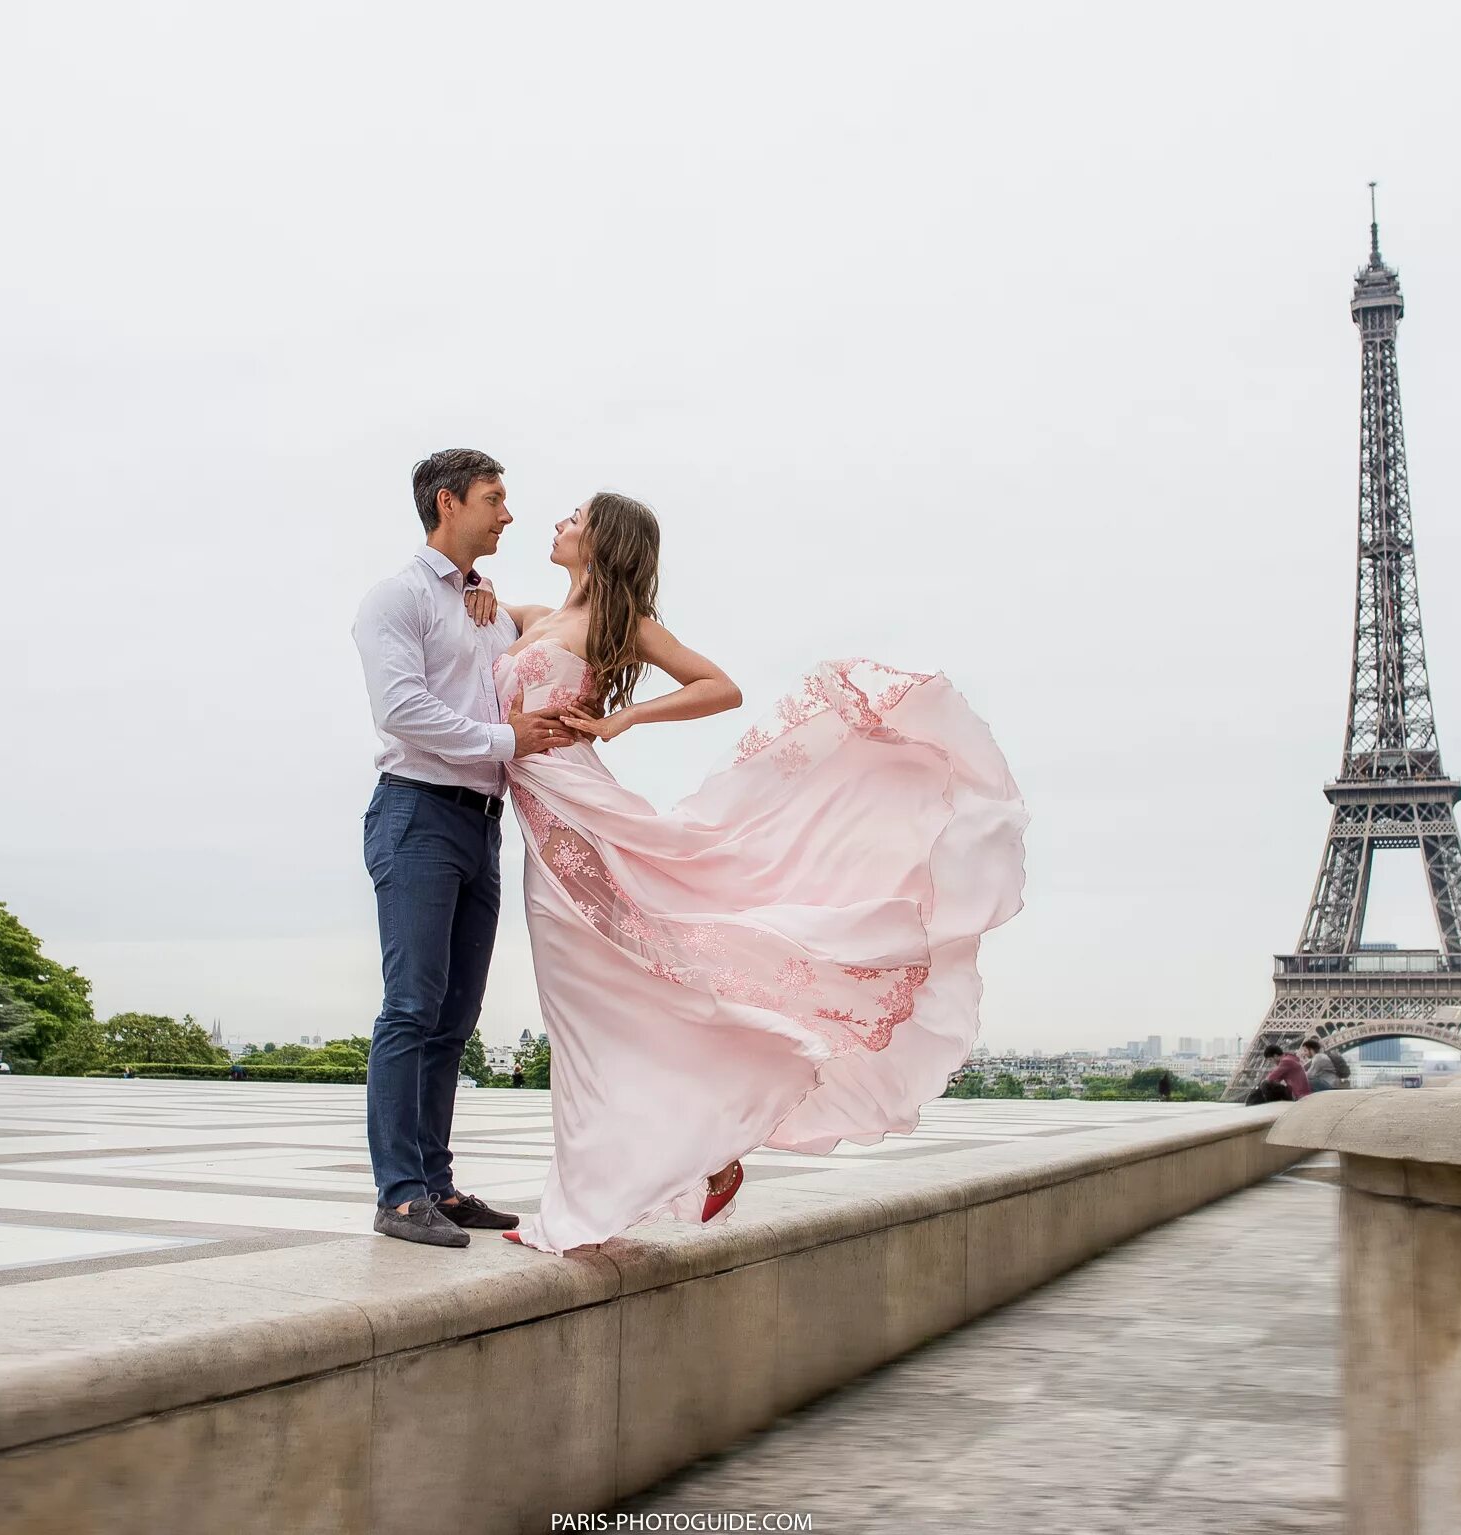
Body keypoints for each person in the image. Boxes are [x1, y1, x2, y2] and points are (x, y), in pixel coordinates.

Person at [477, 489, 1028, 1254]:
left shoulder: (623, 625)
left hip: (583, 812)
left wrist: (621, 718)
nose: (560, 522)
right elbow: (461, 604)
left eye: (576, 516)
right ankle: (684, 1161)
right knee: (590, 1007)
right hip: (542, 826)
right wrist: (475, 597)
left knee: (631, 984)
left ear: (604, 540)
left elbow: (719, 687)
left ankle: (599, 1199)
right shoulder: (533, 617)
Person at [352, 450, 581, 1248]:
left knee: (454, 1018)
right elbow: (403, 710)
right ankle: (399, 1193)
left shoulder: (482, 602)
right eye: (494, 498)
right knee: (411, 1006)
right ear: (448, 503)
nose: (508, 514)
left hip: (480, 822)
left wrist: (502, 601)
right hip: (415, 812)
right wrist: (503, 736)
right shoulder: (396, 598)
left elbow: (559, 616)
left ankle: (437, 1185)